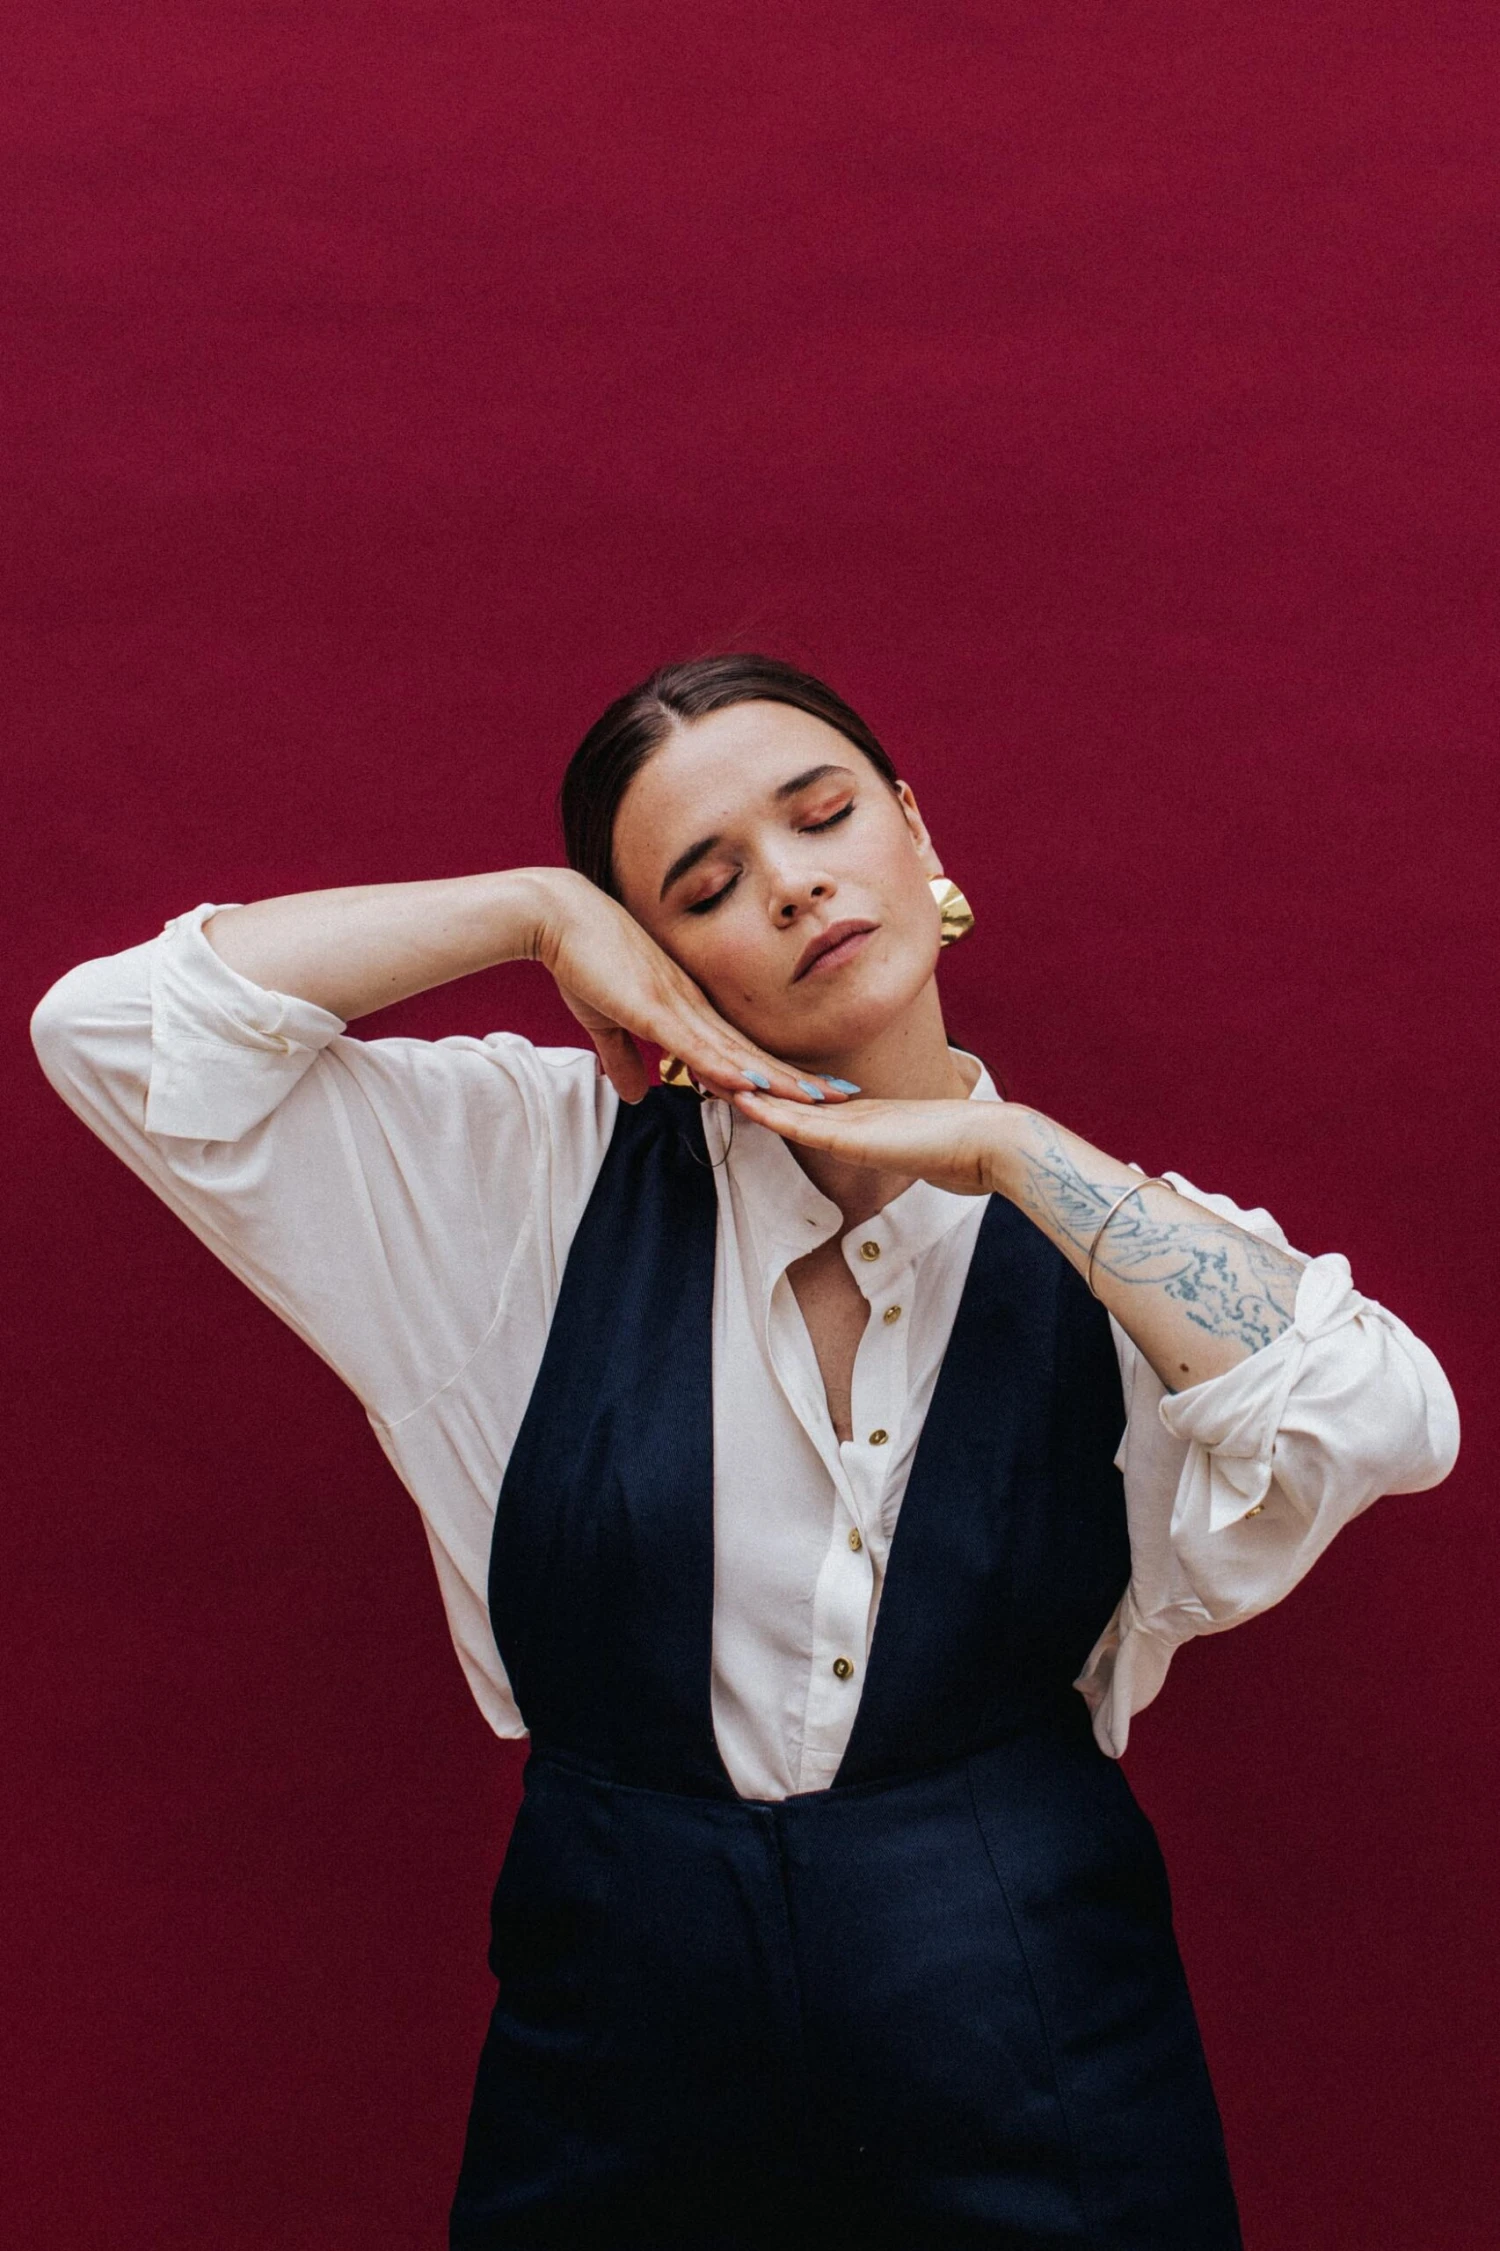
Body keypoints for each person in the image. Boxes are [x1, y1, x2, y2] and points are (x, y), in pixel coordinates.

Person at [30, 653, 1459, 2249]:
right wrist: (532, 912)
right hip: (617, 2052)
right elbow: (110, 1031)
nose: (790, 885)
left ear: (916, 832)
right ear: (654, 953)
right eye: (703, 887)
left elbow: (1384, 1417)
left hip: (1034, 2041)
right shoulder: (535, 1173)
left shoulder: (1119, 1239)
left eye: (824, 815)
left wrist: (1011, 1149)